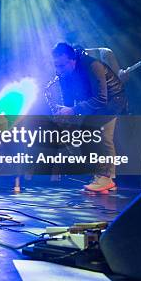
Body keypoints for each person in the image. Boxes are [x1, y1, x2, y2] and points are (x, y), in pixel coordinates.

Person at [51, 42, 127, 192]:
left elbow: (101, 98)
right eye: (56, 65)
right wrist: (65, 113)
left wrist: (73, 110)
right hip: (96, 104)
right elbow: (68, 99)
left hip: (113, 102)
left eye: (61, 65)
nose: (58, 70)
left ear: (72, 60)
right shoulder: (65, 73)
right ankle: (105, 178)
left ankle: (105, 177)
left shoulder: (93, 66)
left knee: (102, 136)